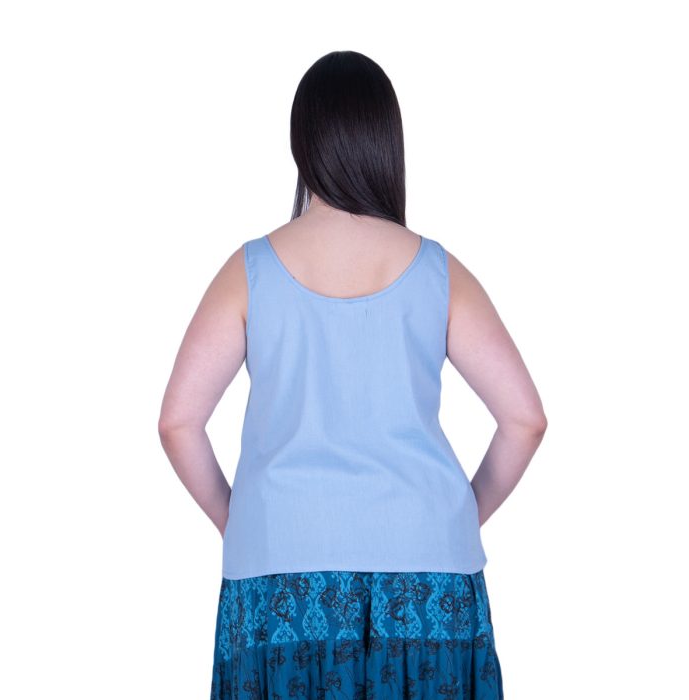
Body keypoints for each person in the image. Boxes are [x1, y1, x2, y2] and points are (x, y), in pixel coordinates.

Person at [158, 50, 547, 700]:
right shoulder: (438, 271)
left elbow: (178, 422)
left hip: (278, 575)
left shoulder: (249, 271)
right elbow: (525, 419)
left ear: (301, 143)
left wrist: (242, 519)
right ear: (386, 143)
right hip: (429, 581)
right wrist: (450, 518)